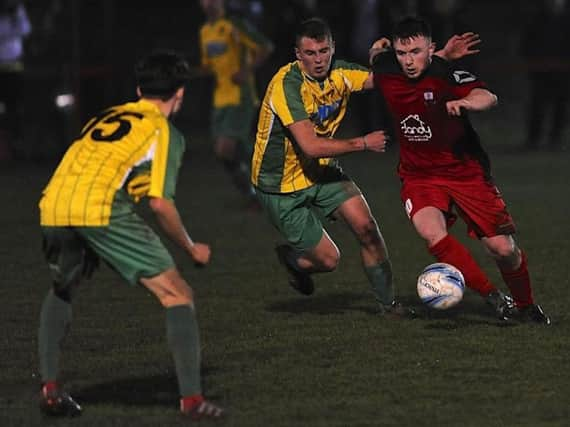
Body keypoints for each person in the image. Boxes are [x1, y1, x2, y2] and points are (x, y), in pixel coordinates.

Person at [37, 51, 225, 419]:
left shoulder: (108, 116)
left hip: (53, 204)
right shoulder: (163, 131)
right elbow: (158, 203)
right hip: (99, 209)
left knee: (63, 287)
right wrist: (191, 247)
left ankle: (49, 389)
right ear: (180, 94)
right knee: (177, 294)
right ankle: (192, 401)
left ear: (139, 90)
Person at [250, 17, 474, 315]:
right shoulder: (286, 85)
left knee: (368, 229)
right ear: (297, 54)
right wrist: (363, 143)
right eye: (310, 53)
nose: (319, 60)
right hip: (280, 185)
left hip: (321, 172)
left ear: (333, 48)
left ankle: (388, 305)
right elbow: (311, 146)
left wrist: (440, 55)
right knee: (328, 260)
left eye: (324, 51)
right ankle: (294, 261)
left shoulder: (341, 73)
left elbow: (394, 78)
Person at [369, 16, 550, 324]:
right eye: (402, 53)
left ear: (431, 49)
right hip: (419, 174)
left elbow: (487, 96)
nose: (408, 61)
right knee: (431, 233)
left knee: (502, 249)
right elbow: (377, 58)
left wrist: (466, 103)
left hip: (465, 171)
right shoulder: (386, 69)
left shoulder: (446, 72)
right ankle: (494, 298)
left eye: (416, 52)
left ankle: (526, 304)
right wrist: (377, 49)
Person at [198, 0, 273, 209]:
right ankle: (257, 191)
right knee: (226, 152)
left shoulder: (235, 24)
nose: (208, 3)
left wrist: (246, 71)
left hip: (240, 97)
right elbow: (208, 65)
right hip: (219, 100)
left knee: (225, 148)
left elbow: (265, 47)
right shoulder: (205, 31)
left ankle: (262, 186)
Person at [519, 0, 570, 151]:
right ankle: (533, 139)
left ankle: (555, 139)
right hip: (540, 70)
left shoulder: (565, 17)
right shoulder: (538, 16)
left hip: (564, 71)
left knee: (560, 105)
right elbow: (527, 40)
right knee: (538, 104)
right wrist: (532, 60)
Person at [0, 0, 31, 160]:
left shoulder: (17, 11)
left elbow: (25, 30)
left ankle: (17, 145)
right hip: (1, 68)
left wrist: (15, 15)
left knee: (15, 108)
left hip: (15, 68)